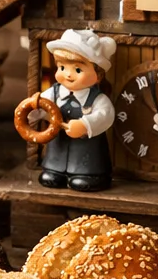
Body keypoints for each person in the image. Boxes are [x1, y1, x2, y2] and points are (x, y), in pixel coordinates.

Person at [29, 28, 117, 192]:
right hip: (59, 145)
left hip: (88, 151)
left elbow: (106, 116)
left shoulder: (98, 99)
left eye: (77, 70)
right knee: (51, 173)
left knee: (87, 168)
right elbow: (40, 106)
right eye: (62, 68)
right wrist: (34, 111)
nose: (68, 75)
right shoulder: (53, 93)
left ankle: (90, 176)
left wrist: (85, 125)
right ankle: (55, 171)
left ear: (98, 75)